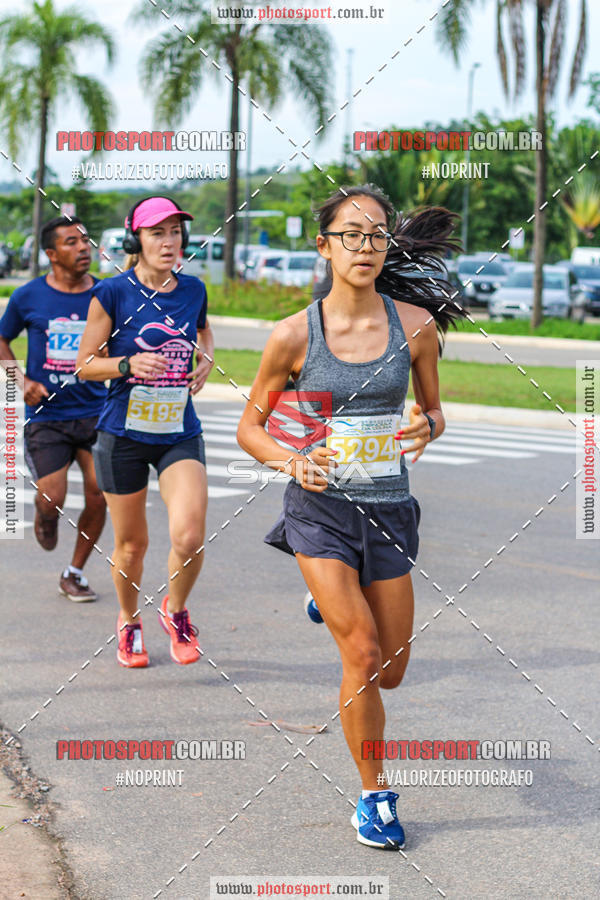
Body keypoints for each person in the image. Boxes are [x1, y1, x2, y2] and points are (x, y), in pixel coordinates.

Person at [237, 185, 465, 850]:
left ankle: (328, 603)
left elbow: (435, 411)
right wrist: (289, 461)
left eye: (376, 235)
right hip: (320, 514)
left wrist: (429, 426)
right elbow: (252, 429)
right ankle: (374, 796)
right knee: (362, 656)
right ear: (324, 246)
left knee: (391, 668)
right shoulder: (292, 335)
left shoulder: (415, 326)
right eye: (350, 234)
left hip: (390, 510)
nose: (365, 247)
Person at [76, 196, 214, 668]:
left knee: (190, 535)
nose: (169, 242)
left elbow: (202, 329)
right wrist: (126, 363)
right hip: (123, 434)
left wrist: (206, 359)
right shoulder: (112, 293)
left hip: (178, 429)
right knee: (132, 546)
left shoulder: (193, 289)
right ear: (136, 239)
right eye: (158, 233)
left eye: (176, 232)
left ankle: (175, 612)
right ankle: (129, 620)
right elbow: (85, 365)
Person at [0, 216, 107, 601]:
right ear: (51, 253)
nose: (83, 248)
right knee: (53, 497)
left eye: (85, 241)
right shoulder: (28, 296)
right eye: (72, 242)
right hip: (48, 416)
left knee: (99, 493)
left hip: (97, 410)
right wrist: (21, 382)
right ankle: (44, 515)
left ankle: (74, 571)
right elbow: (2, 338)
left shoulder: (105, 293)